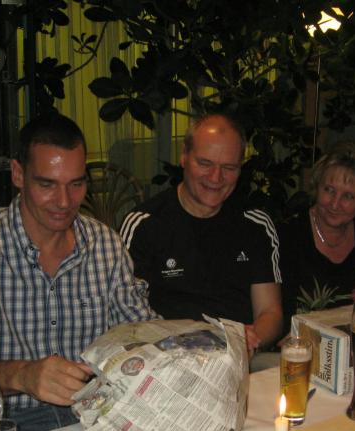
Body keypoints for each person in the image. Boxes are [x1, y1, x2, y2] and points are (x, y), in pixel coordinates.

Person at [0, 112, 156, 431]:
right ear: (18, 174)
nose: (64, 202)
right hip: (10, 422)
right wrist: (22, 375)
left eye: (76, 184)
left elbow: (139, 330)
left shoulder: (104, 243)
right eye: (47, 184)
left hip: (94, 413)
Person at [120, 113, 282, 355]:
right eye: (205, 163)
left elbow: (270, 312)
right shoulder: (144, 224)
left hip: (241, 356)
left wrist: (249, 340)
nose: (216, 178)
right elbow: (127, 320)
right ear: (184, 156)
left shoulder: (256, 225)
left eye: (228, 167)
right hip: (169, 357)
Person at [279, 140, 355, 327]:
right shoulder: (288, 235)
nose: (334, 204)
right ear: (317, 186)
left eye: (348, 196)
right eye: (329, 190)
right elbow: (280, 317)